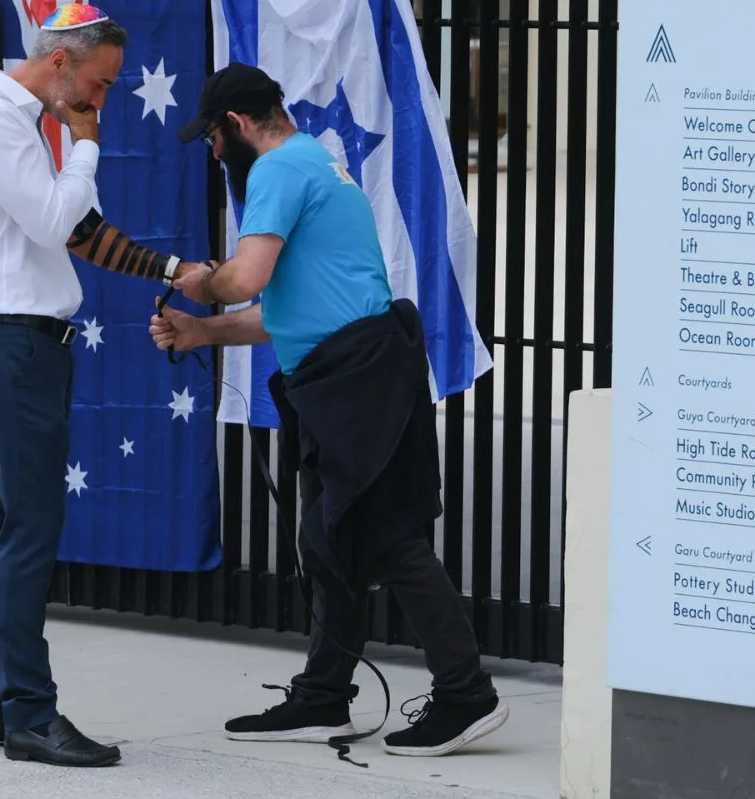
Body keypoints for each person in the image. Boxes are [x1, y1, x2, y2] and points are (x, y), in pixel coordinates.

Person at [149, 62, 508, 758]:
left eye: (215, 139)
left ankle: (466, 694)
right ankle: (322, 698)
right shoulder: (314, 162)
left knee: (386, 539)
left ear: (240, 124)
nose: (215, 153)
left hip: (358, 378)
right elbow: (286, 312)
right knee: (330, 538)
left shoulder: (280, 171)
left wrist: (199, 282)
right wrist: (202, 332)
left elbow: (243, 280)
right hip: (352, 370)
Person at [0, 3, 204, 768]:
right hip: (10, 346)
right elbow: (62, 219)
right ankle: (29, 713)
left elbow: (82, 235)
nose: (103, 101)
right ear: (61, 63)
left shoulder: (17, 126)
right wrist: (85, 146)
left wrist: (170, 270)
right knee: (28, 531)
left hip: (21, 347)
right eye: (99, 83)